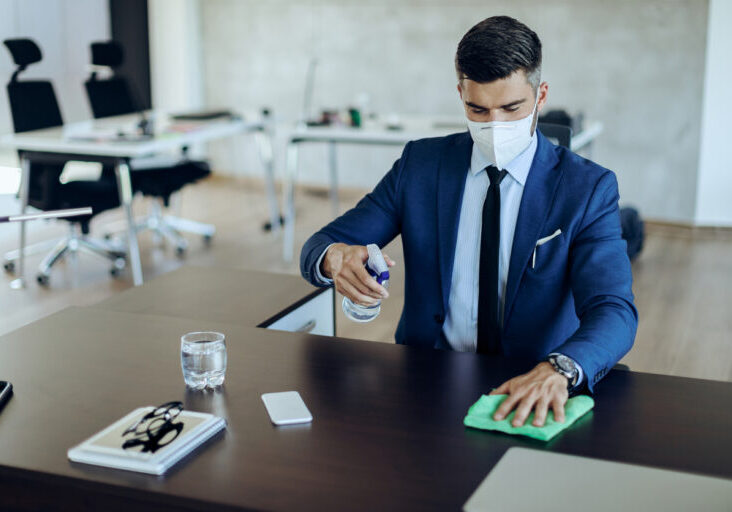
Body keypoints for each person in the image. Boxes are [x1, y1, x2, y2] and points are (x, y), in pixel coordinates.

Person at [300, 16, 637, 428]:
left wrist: (561, 369)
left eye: (511, 108)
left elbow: (613, 308)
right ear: (460, 94)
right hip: (427, 379)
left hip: (532, 382)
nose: (494, 124)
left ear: (541, 95)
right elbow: (325, 242)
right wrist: (334, 258)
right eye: (478, 109)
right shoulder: (419, 166)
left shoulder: (588, 188)